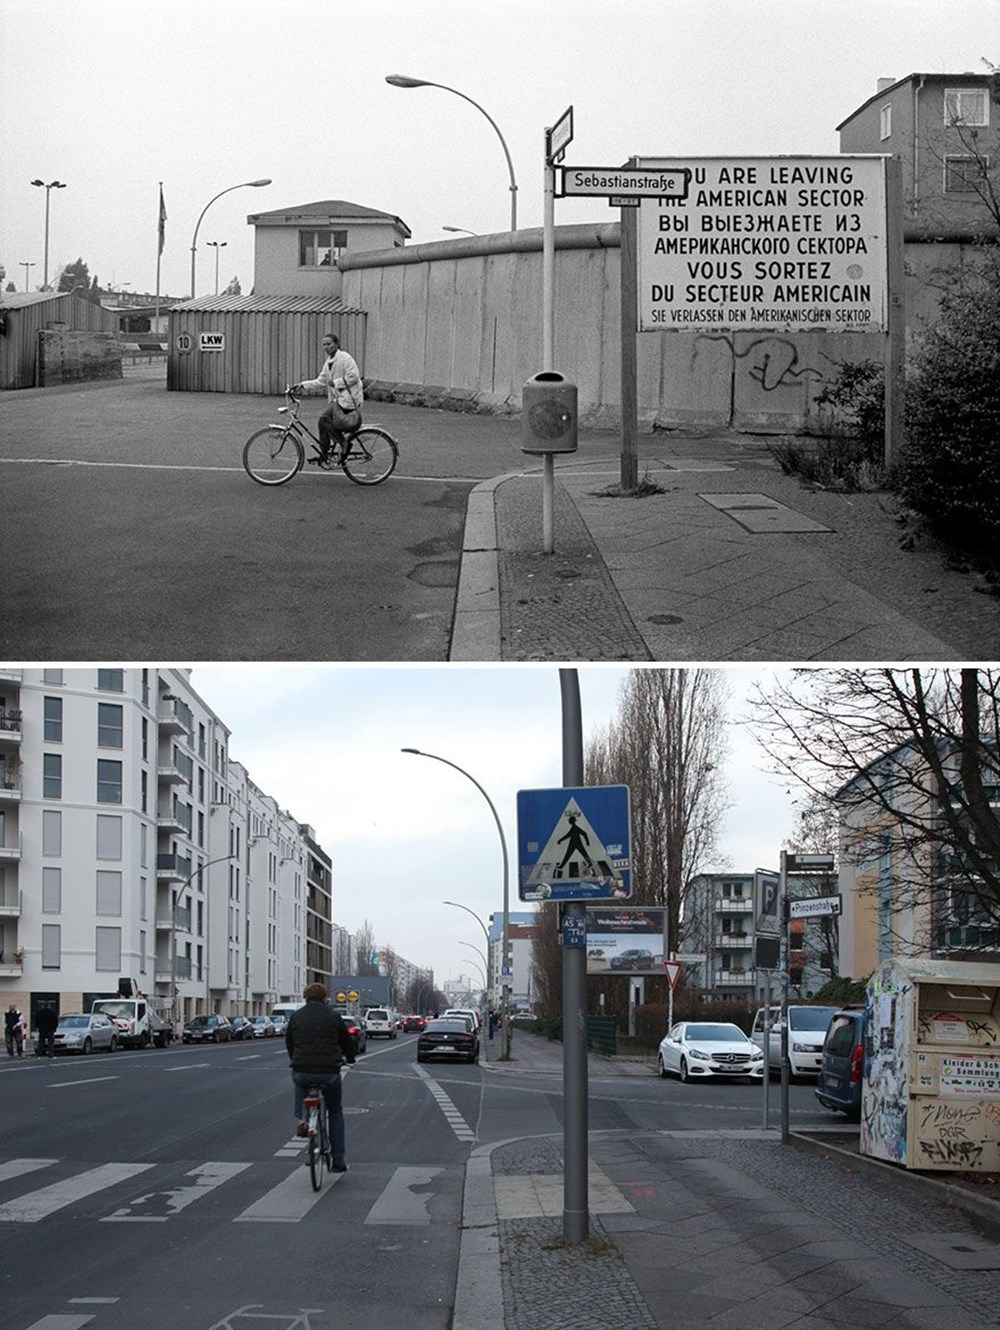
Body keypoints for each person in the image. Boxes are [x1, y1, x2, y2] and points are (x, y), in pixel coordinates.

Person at [285, 982, 356, 1171]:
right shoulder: (333, 1017)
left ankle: (301, 1120)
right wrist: (350, 1058)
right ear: (325, 999)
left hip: (302, 1068)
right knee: (334, 1111)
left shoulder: (296, 1017)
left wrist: (296, 1060)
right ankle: (338, 1157)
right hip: (329, 1072)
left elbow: (289, 1043)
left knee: (300, 1082)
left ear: (306, 997)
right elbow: (347, 1041)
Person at [292, 332, 364, 464]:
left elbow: (354, 376)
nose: (326, 347)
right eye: (324, 344)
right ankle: (324, 454)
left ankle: (343, 443)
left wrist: (336, 383)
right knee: (322, 423)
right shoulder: (328, 362)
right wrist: (302, 385)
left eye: (329, 344)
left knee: (324, 419)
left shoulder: (345, 357)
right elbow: (321, 381)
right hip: (340, 399)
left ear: (336, 344)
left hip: (349, 399)